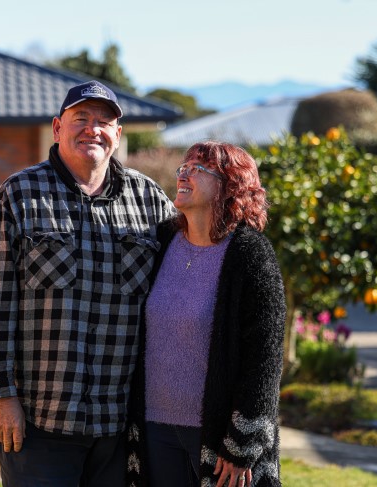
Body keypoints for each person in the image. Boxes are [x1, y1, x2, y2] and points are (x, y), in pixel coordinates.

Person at [0, 79, 176, 486]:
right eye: (81, 118)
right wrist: (1, 395)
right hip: (40, 421)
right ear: (57, 128)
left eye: (104, 121)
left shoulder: (150, 200)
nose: (92, 129)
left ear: (118, 134)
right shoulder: (19, 195)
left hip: (120, 424)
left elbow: (183, 284)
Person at [126, 141, 286, 487]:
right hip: (155, 426)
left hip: (219, 437)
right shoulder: (161, 242)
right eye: (183, 167)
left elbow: (265, 359)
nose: (183, 174)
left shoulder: (250, 255)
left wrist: (241, 444)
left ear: (230, 185)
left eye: (197, 168)